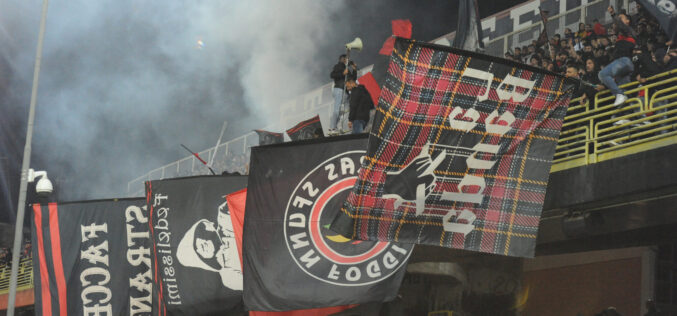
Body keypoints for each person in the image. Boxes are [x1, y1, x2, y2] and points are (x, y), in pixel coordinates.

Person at [177, 201, 242, 291]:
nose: (200, 244)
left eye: (198, 236)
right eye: (196, 250)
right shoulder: (229, 277)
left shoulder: (224, 216)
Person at [329, 54, 348, 134]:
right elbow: (332, 75)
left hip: (343, 90)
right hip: (339, 89)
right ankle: (332, 128)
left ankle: (337, 126)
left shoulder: (344, 67)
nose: (346, 60)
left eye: (346, 59)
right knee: (337, 109)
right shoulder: (338, 66)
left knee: (341, 110)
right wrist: (342, 74)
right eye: (345, 59)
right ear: (341, 59)